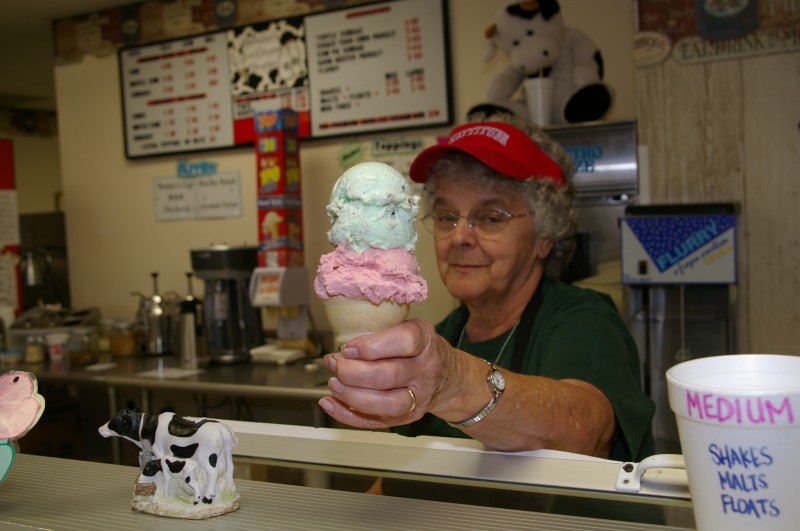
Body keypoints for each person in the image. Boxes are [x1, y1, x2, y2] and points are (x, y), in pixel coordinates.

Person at [317, 112, 655, 467]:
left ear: (545, 236)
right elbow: (415, 474)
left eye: (491, 217)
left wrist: (453, 381)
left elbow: (587, 431)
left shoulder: (585, 320)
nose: (459, 237)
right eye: (447, 217)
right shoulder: (445, 334)